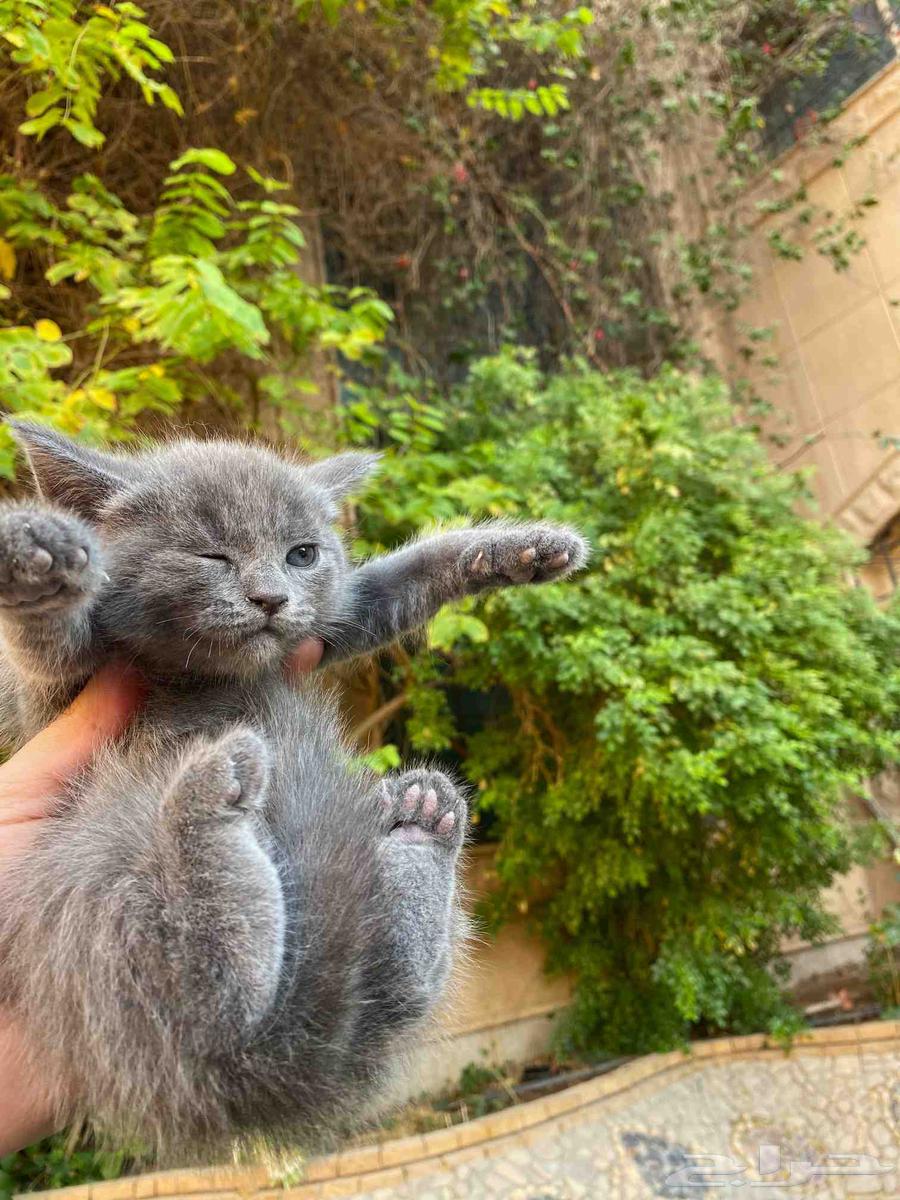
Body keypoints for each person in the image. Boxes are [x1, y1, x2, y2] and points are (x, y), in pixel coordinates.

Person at [0, 639, 324, 1157]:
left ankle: (389, 948)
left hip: (126, 1005)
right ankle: (224, 973)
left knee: (345, 968)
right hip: (149, 953)